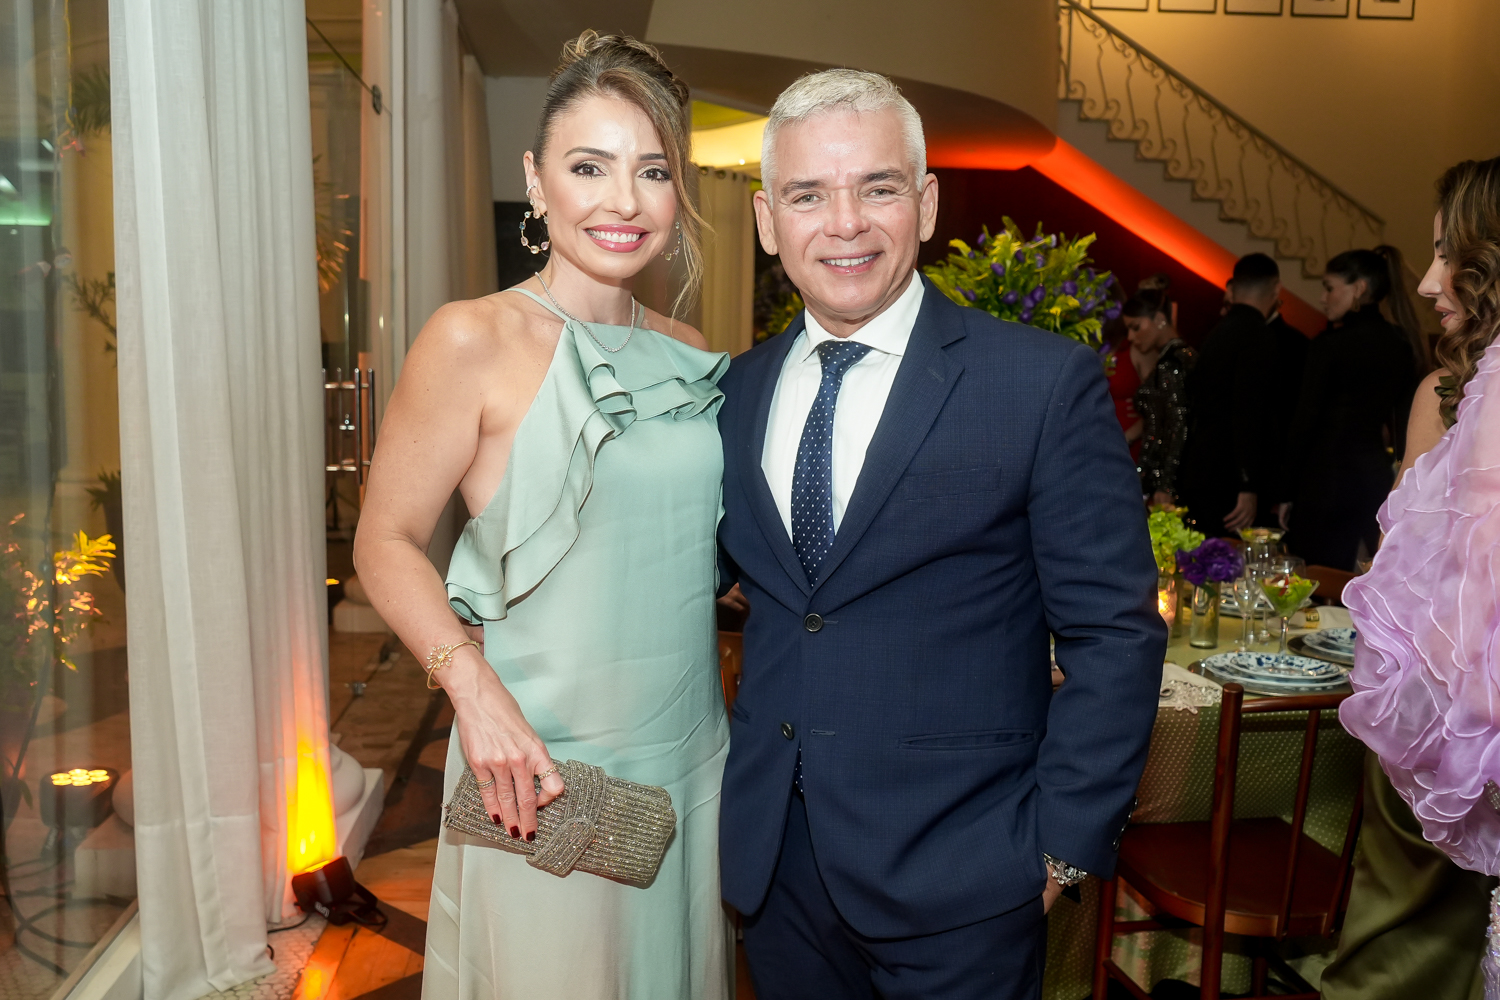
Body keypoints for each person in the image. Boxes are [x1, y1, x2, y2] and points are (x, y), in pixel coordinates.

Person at [714, 68, 1165, 1000]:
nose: (844, 224)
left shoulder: (1039, 384)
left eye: (876, 188)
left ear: (923, 205)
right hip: (778, 875)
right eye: (808, 195)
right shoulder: (734, 393)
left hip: (969, 883)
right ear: (767, 220)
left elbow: (1115, 634)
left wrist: (1061, 847)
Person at [352, 32, 733, 1000]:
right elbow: (384, 541)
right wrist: (472, 691)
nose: (623, 200)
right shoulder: (471, 337)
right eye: (589, 166)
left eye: (653, 171)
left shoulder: (690, 350)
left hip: (692, 755)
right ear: (535, 178)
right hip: (541, 765)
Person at [1326, 156, 1500, 1000]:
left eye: (1448, 254)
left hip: (1445, 735)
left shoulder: (1458, 392)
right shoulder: (1453, 388)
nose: (1428, 282)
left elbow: (1405, 572)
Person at [1284, 246, 1419, 570]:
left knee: (1314, 582)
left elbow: (1304, 421)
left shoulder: (1329, 345)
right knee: (1371, 579)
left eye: (1329, 288)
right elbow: (1406, 424)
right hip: (1374, 481)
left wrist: (1285, 490)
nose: (1322, 298)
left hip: (1324, 483)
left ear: (1359, 288)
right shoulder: (1402, 344)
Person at [1176, 255, 1278, 537]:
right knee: (1230, 555)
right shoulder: (1259, 336)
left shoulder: (1216, 333)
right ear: (1276, 289)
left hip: (1201, 468)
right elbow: (1248, 412)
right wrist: (1248, 485)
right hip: (1229, 478)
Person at [1126, 277, 1196, 507]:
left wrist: (1166, 484)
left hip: (1167, 487)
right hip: (1162, 479)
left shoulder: (1173, 362)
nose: (1130, 337)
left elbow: (1179, 425)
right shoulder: (1177, 358)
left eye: (1136, 327)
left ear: (1159, 319)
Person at [1102, 319, 1144, 463]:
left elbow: (1155, 401)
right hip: (1102, 438)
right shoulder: (1096, 349)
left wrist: (1127, 438)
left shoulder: (1136, 349)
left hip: (1130, 440)